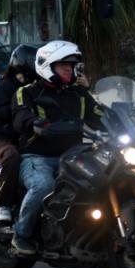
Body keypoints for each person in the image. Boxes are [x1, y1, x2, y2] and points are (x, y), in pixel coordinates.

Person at [10, 41, 103, 256]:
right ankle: (20, 234)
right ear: (47, 66)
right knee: (43, 185)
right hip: (37, 156)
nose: (69, 70)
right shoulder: (28, 92)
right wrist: (36, 123)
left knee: (102, 185)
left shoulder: (79, 94)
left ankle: (105, 247)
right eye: (63, 66)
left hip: (74, 156)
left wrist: (124, 119)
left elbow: (99, 115)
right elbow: (21, 116)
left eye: (71, 66)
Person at [0, 45, 37, 219]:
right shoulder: (6, 86)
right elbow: (2, 113)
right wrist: (24, 108)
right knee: (12, 157)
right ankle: (4, 205)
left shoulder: (39, 86)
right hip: (6, 138)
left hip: (32, 137)